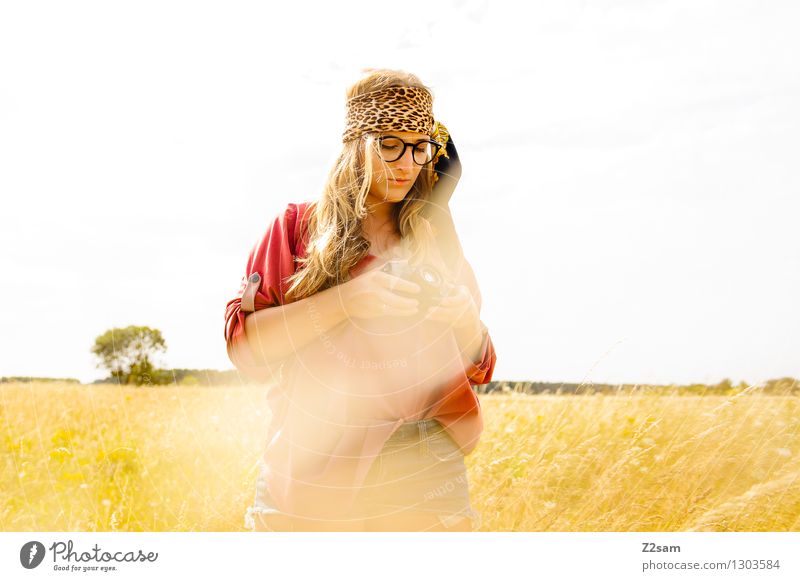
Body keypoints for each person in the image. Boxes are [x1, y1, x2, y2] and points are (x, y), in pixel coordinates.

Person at [224, 68, 497, 532]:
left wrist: (468, 321)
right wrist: (348, 301)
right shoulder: (296, 228)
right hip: (314, 463)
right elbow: (246, 350)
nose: (407, 163)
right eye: (390, 143)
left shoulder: (436, 238)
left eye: (419, 147)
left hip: (427, 463)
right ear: (357, 144)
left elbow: (480, 367)